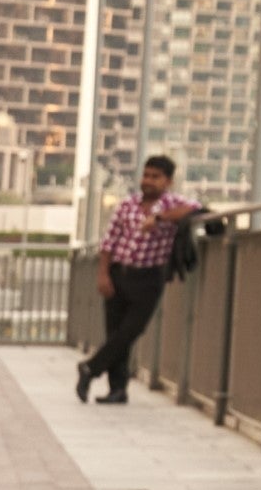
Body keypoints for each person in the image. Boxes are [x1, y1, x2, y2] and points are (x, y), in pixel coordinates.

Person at [78, 153, 214, 405]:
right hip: (119, 274)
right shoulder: (127, 205)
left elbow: (199, 210)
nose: (148, 181)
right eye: (146, 175)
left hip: (149, 278)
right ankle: (117, 390)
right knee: (116, 333)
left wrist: (160, 218)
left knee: (133, 329)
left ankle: (90, 368)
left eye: (155, 177)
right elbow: (108, 243)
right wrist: (103, 275)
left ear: (168, 181)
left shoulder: (173, 203)